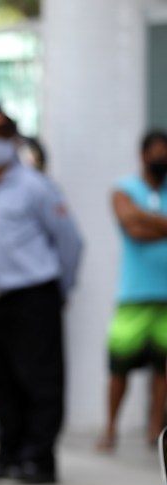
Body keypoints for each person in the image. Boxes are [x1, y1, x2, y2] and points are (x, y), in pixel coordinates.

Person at [0, 100, 83, 485]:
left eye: (2, 134)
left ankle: (39, 459)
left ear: (14, 138)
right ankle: (8, 455)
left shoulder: (36, 186)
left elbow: (70, 242)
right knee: (1, 380)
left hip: (33, 296)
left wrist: (59, 289)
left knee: (39, 380)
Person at [99, 129, 167, 452]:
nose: (162, 159)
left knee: (163, 370)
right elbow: (132, 226)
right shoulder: (123, 189)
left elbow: (140, 222)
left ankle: (155, 432)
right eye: (157, 152)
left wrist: (145, 217)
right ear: (143, 156)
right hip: (133, 296)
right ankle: (110, 429)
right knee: (119, 367)